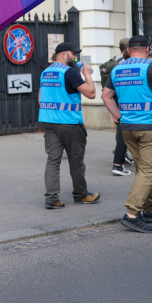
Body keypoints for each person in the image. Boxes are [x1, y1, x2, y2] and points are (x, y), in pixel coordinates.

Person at [101, 35, 152, 234]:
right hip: (151, 128)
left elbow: (106, 96)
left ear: (128, 51)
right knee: (149, 169)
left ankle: (149, 209)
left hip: (128, 128)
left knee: (143, 168)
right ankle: (132, 214)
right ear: (147, 49)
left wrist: (117, 116)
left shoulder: (117, 69)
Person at [38, 42, 101, 209]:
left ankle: (51, 198)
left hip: (48, 122)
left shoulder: (46, 72)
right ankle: (81, 195)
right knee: (76, 161)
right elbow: (92, 93)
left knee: (53, 160)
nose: (76, 57)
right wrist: (87, 74)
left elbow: (40, 99)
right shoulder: (70, 73)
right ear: (63, 55)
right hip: (69, 124)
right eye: (73, 54)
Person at [100, 37, 134, 176]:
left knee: (121, 129)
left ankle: (120, 156)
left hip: (114, 100)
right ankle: (119, 160)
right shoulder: (124, 64)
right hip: (123, 101)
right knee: (124, 130)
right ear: (128, 49)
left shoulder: (111, 62)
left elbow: (106, 90)